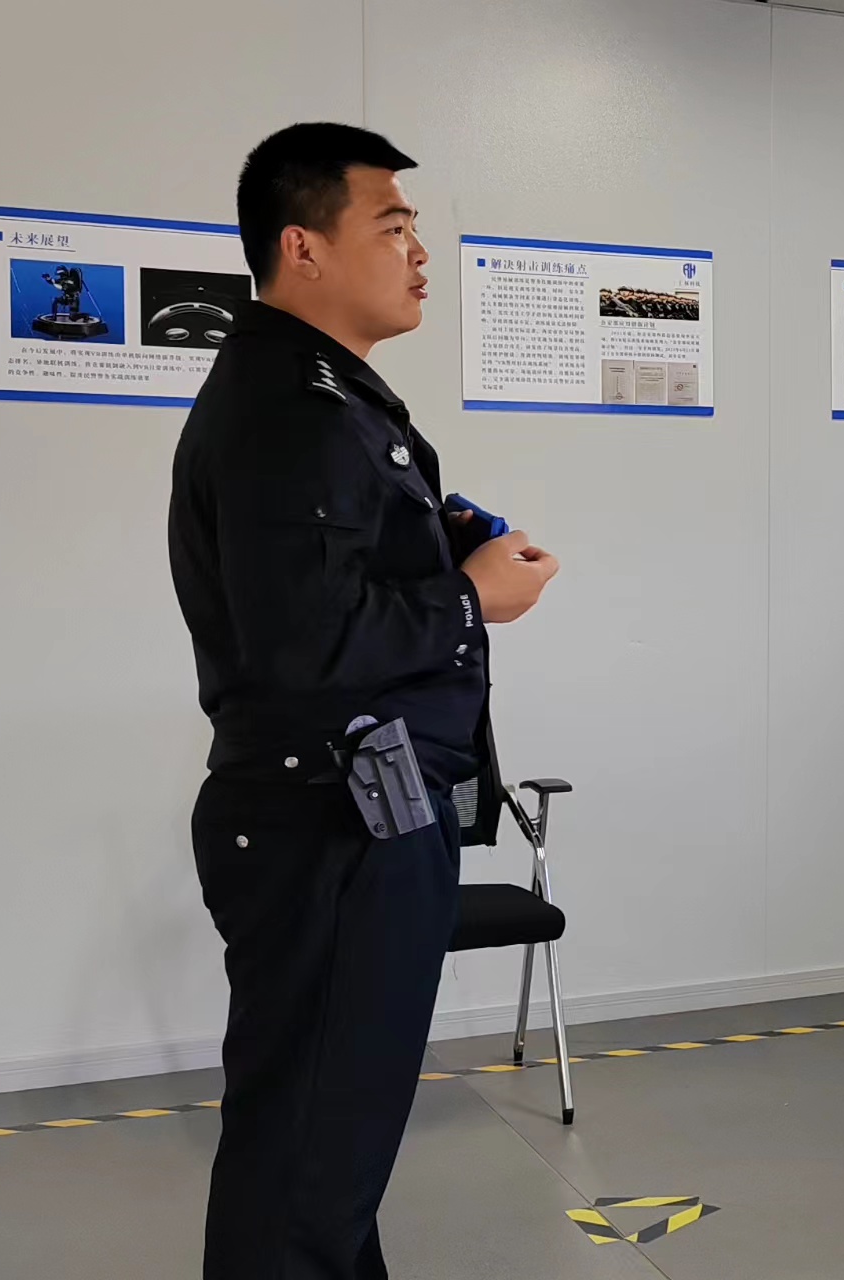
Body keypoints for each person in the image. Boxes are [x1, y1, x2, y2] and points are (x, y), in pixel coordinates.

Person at [168, 123, 560, 1280]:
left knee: (323, 1152)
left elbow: (328, 574)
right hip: (330, 824)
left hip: (350, 817)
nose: (420, 253)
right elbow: (308, 641)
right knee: (306, 1165)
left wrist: (443, 536)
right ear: (303, 246)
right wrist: (472, 598)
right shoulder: (292, 407)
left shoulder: (329, 397)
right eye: (391, 227)